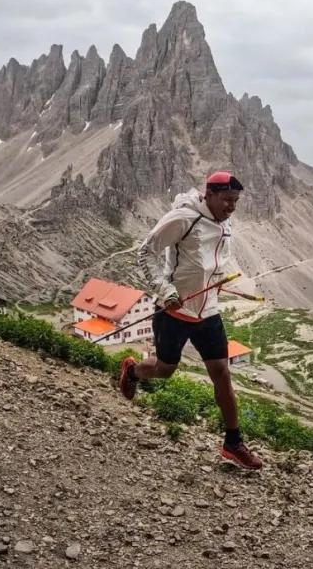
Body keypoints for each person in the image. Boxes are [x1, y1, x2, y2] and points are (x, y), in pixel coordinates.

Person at [118, 171, 262, 470]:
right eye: (227, 200)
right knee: (164, 370)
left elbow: (215, 264)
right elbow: (147, 253)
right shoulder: (183, 218)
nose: (231, 207)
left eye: (235, 201)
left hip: (208, 312)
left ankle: (233, 443)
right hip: (175, 311)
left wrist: (233, 285)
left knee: (221, 372)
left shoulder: (224, 222)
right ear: (208, 195)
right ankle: (132, 371)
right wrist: (166, 291)